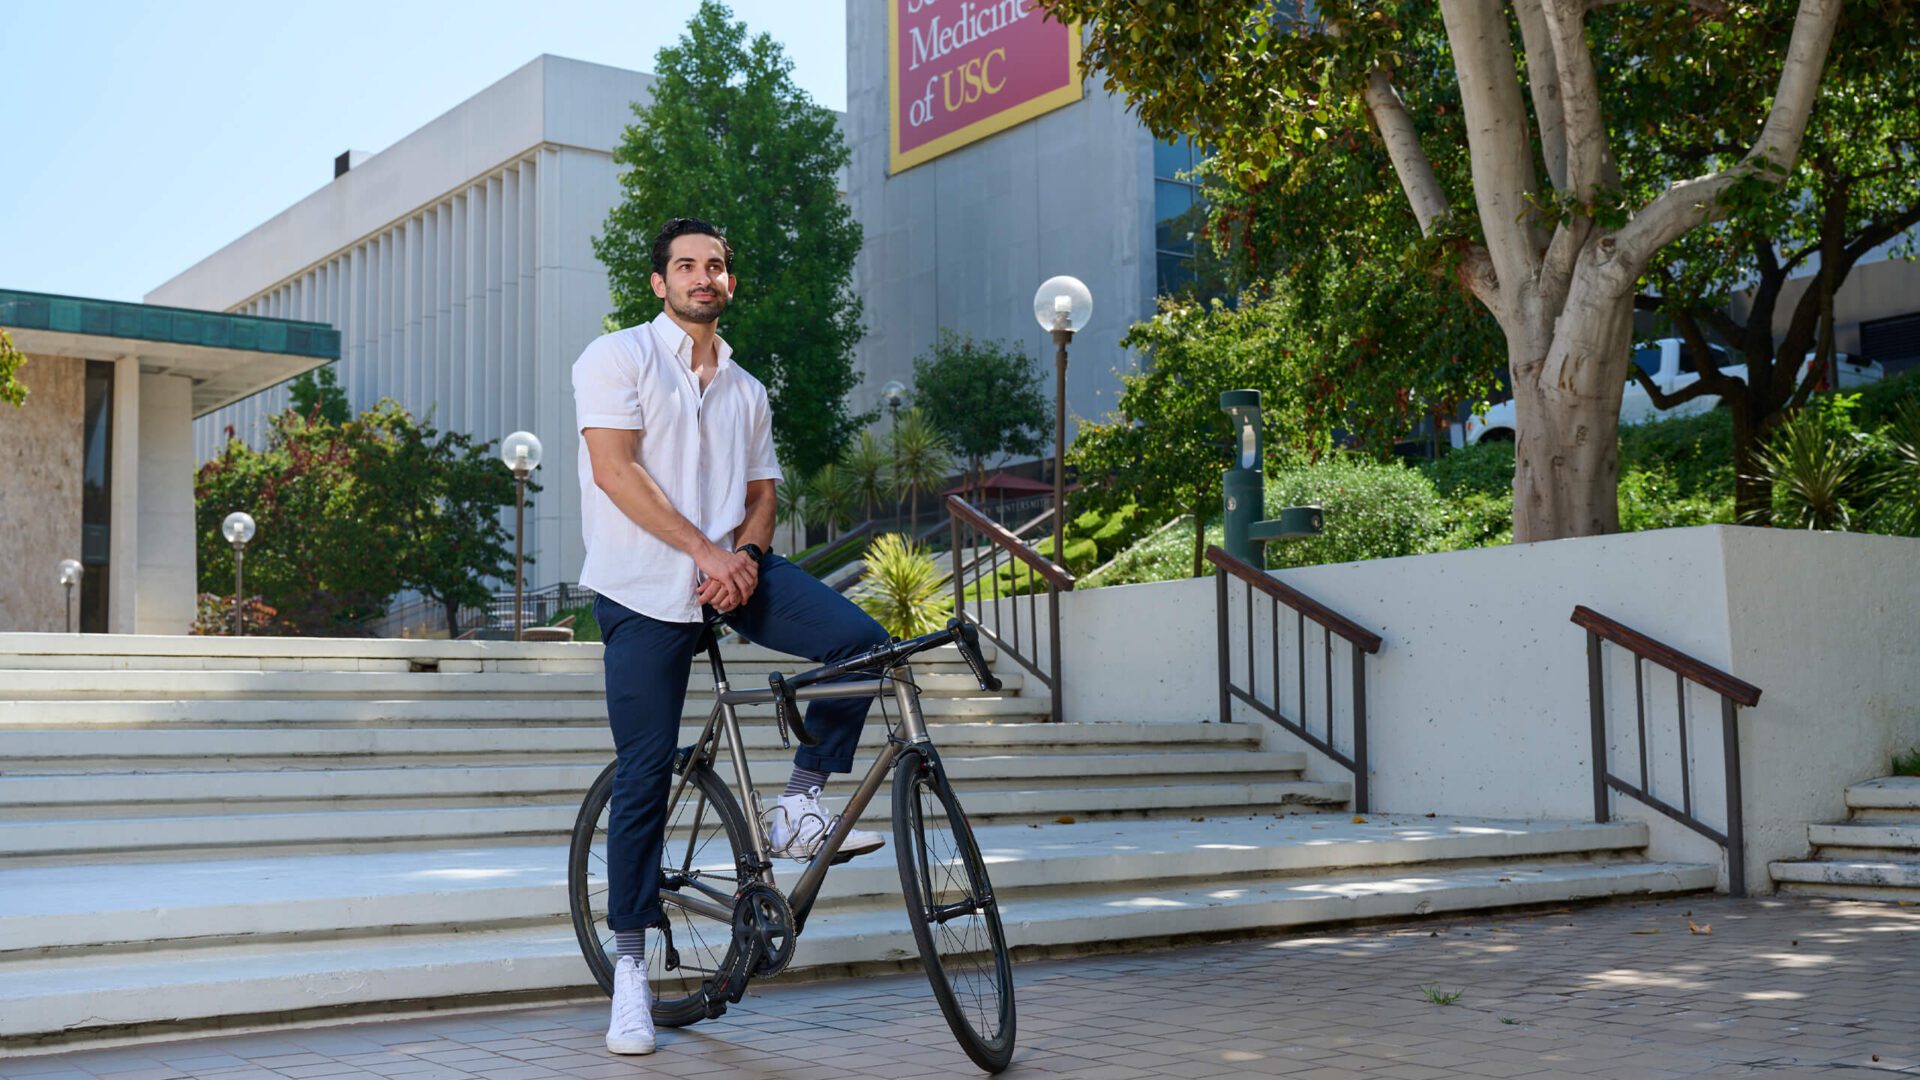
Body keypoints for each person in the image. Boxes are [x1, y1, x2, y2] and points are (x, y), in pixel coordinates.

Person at [573, 217, 892, 1057]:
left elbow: (762, 491)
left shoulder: (748, 388)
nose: (702, 276)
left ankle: (800, 803)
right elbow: (615, 469)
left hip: (734, 576)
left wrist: (745, 555)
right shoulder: (615, 358)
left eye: (715, 265)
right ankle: (633, 974)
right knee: (645, 773)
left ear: (729, 282)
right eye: (686, 265)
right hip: (644, 588)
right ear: (659, 282)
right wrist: (704, 550)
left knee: (864, 645)